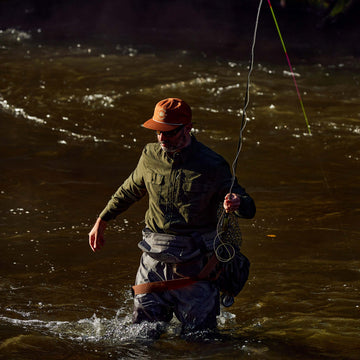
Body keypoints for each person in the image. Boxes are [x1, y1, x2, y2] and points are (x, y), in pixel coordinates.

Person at [89, 98, 256, 334]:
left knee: (201, 341)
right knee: (141, 337)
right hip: (152, 261)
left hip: (197, 265)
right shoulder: (149, 155)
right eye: (158, 131)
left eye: (169, 133)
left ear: (187, 128)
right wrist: (102, 221)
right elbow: (128, 191)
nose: (161, 138)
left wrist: (238, 203)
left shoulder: (213, 164)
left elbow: (248, 206)